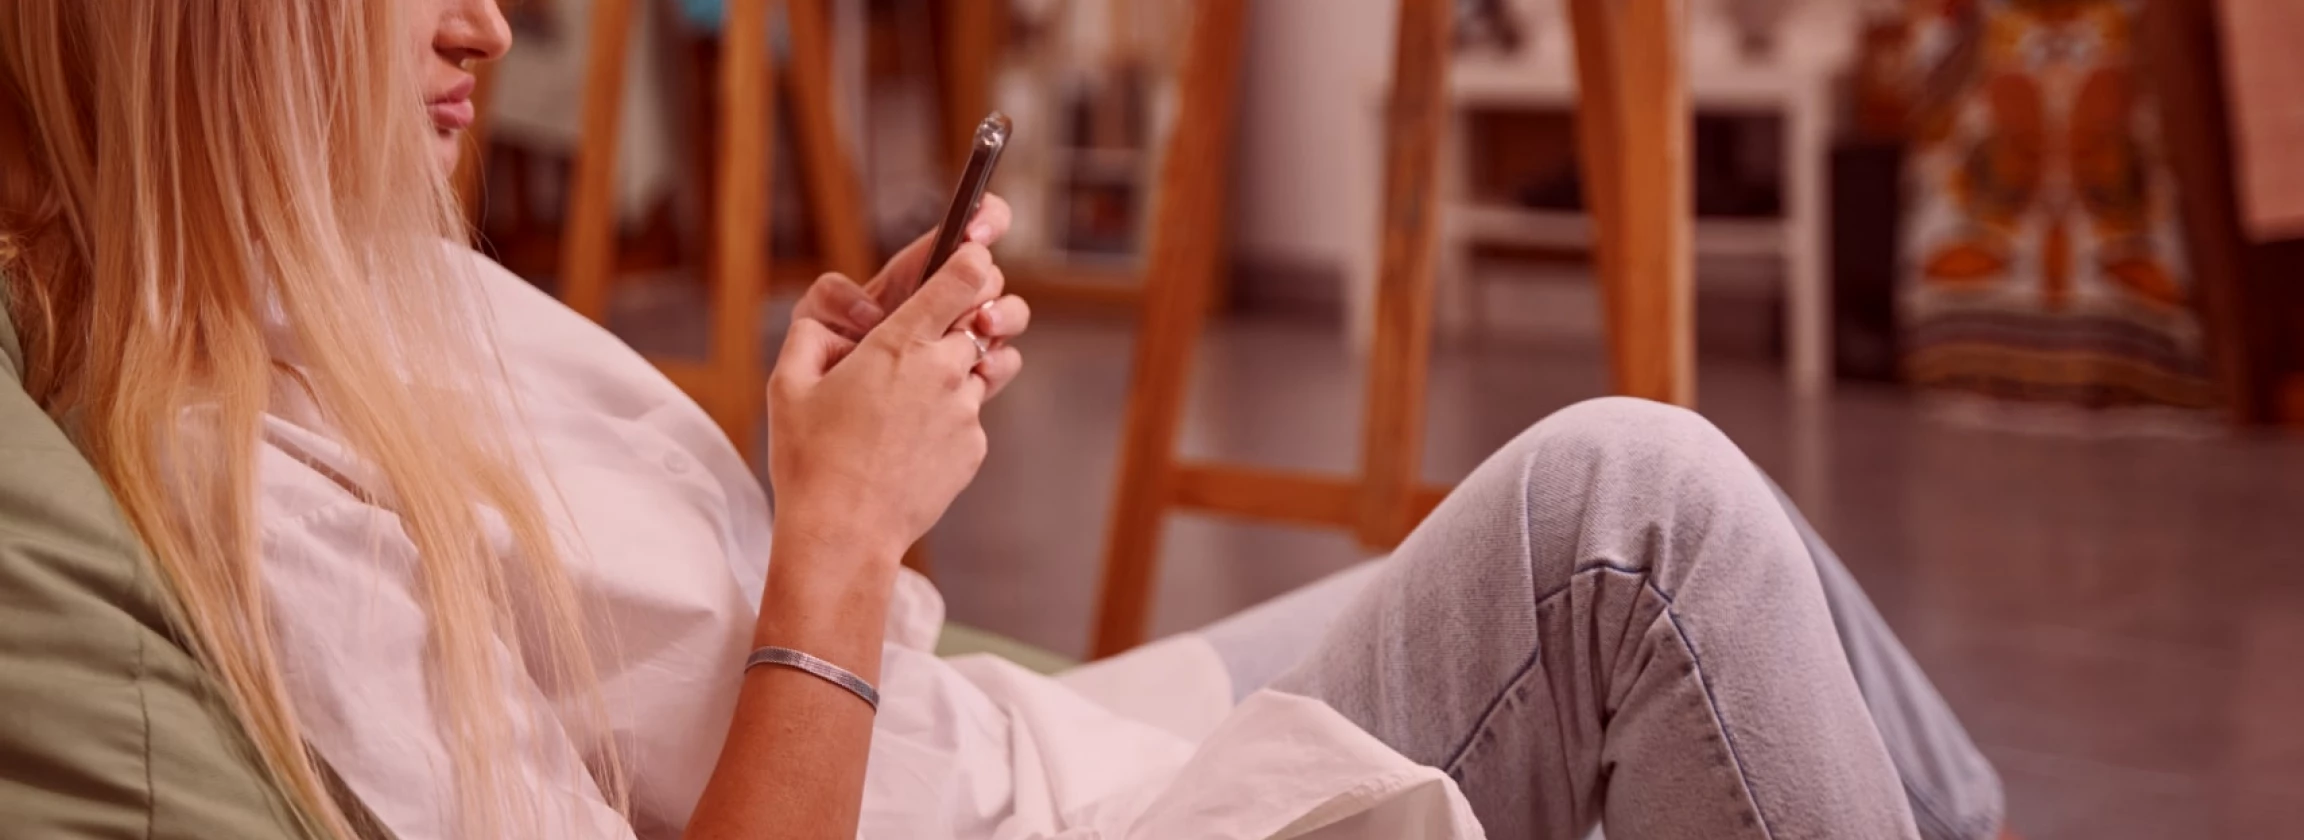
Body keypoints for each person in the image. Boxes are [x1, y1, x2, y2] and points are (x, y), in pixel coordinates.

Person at [0, 2, 2005, 839]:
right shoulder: (241, 470)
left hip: (1015, 744)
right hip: (1026, 807)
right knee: (1627, 515)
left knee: (1652, 503)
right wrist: (838, 547)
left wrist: (819, 469)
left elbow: (672, 669)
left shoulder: (365, 273)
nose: (492, 25)